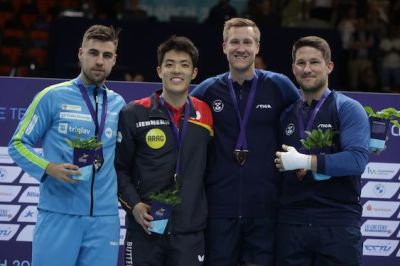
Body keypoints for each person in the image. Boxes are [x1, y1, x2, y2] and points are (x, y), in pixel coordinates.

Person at [8, 25, 125, 266]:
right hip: (58, 214)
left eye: (106, 55)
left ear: (114, 59)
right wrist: (48, 168)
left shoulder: (119, 104)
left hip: (104, 221)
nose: (99, 61)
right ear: (80, 54)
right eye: (93, 53)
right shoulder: (51, 96)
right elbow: (18, 144)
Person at [191, 18, 300, 266]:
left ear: (257, 47)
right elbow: (178, 120)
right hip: (219, 210)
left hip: (265, 209)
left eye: (247, 42)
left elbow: (304, 122)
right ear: (224, 46)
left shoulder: (279, 85)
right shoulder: (208, 90)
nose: (241, 48)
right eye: (235, 42)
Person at [115, 35, 213, 266]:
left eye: (184, 65)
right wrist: (134, 206)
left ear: (194, 73)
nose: (176, 70)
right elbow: (118, 169)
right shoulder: (134, 113)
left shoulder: (206, 114)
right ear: (159, 70)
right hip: (145, 228)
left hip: (189, 232)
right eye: (169, 64)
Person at [274, 36, 370, 266]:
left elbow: (357, 160)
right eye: (301, 63)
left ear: (329, 66)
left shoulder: (347, 108)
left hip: (336, 224)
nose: (307, 69)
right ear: (293, 68)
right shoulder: (286, 114)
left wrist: (306, 161)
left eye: (314, 62)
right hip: (292, 224)